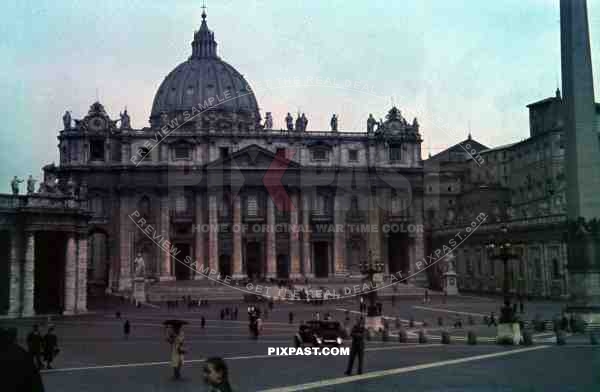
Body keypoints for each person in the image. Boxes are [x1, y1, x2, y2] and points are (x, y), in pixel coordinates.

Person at [1, 327, 45, 391]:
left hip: (34, 349)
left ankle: (41, 365)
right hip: (33, 349)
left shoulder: (21, 353)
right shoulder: (21, 353)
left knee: (36, 358)